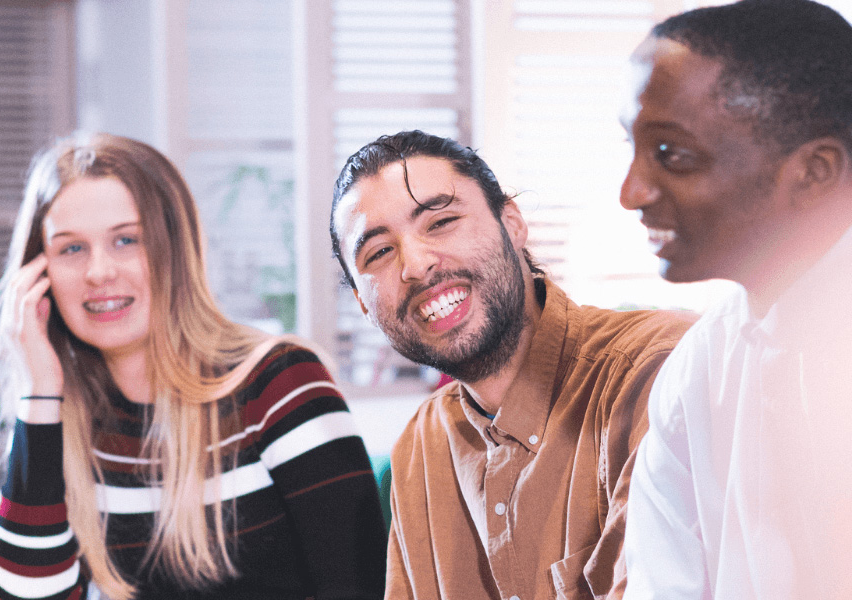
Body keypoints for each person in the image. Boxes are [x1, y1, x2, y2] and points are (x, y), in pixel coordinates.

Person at [0, 131, 387, 600]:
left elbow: (363, 589)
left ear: (175, 252)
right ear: (38, 275)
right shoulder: (58, 425)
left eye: (126, 240)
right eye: (71, 249)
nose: (99, 272)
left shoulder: (279, 383)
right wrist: (39, 393)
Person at [329, 130, 697, 599]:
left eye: (441, 222)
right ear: (362, 303)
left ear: (512, 223)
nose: (416, 264)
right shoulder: (420, 445)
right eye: (379, 252)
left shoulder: (656, 373)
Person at [618, 1, 852, 598]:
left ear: (813, 172)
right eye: (633, 147)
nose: (631, 192)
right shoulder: (699, 369)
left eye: (672, 154)